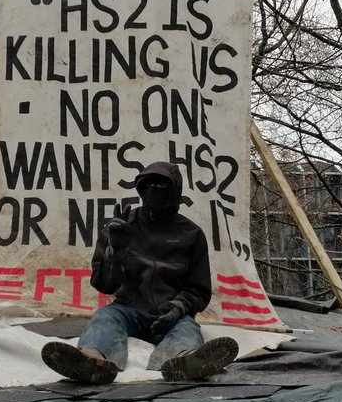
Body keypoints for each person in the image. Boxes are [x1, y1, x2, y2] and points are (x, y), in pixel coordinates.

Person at [41, 161, 239, 384]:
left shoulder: (192, 234)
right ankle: (92, 360)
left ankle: (185, 361)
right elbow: (103, 284)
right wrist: (115, 253)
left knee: (188, 329)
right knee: (104, 317)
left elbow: (199, 288)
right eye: (150, 184)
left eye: (162, 185)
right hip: (127, 309)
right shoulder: (121, 226)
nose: (155, 189)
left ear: (175, 190)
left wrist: (179, 308)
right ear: (142, 188)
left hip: (171, 313)